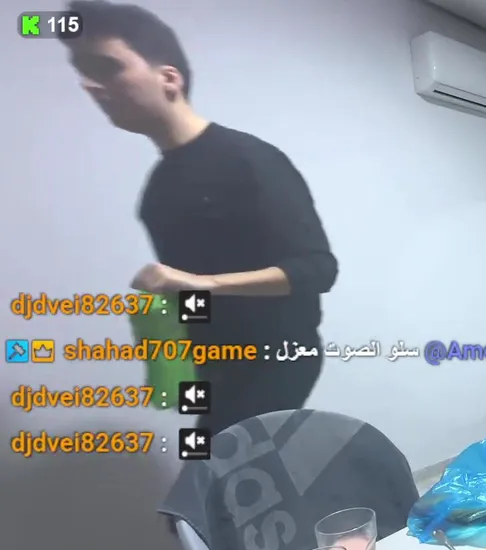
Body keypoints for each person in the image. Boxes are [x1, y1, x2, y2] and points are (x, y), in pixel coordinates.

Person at [62, 1, 338, 435]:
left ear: (169, 78)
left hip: (275, 362)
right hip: (210, 366)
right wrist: (169, 353)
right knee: (205, 463)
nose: (91, 86)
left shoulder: (249, 159)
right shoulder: (157, 192)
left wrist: (202, 284)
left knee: (220, 471)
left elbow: (317, 269)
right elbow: (188, 293)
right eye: (84, 72)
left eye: (108, 67)